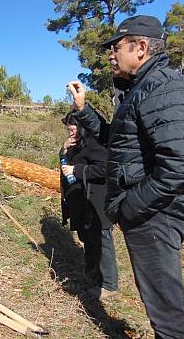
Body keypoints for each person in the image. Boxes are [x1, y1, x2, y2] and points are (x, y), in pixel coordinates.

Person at [68, 15, 184, 338]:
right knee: (160, 311)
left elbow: (179, 165)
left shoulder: (165, 86)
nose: (111, 55)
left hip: (156, 216)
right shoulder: (143, 88)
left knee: (168, 320)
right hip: (148, 213)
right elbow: (118, 139)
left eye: (116, 48)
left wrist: (129, 206)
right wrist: (84, 110)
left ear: (140, 48)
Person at [59, 112, 118, 301]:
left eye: (73, 129)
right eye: (68, 130)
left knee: (102, 240)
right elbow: (64, 163)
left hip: (97, 200)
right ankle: (92, 275)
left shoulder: (95, 143)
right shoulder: (75, 143)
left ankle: (108, 284)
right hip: (81, 200)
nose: (70, 133)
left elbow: (104, 169)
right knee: (88, 238)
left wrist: (76, 170)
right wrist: (63, 149)